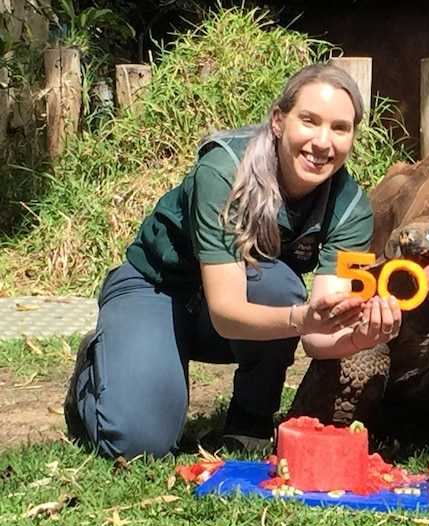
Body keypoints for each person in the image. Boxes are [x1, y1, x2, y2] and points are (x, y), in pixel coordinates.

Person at [64, 63, 403, 459]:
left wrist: (361, 338)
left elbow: (318, 333)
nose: (322, 142)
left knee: (280, 287)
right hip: (158, 288)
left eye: (340, 128)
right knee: (138, 444)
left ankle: (249, 420)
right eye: (309, 121)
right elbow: (230, 312)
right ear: (278, 120)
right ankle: (95, 373)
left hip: (236, 305)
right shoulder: (224, 170)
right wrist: (300, 317)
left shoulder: (350, 209)